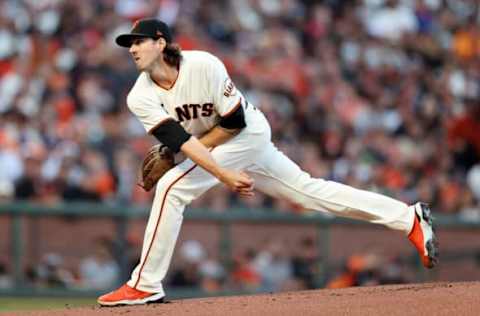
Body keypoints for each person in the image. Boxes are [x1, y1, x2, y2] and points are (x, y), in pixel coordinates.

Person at [97, 18, 438, 306]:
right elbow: (182, 143)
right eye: (129, 44)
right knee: (309, 192)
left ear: (161, 42)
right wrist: (186, 155)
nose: (132, 48)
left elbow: (233, 124)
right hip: (218, 145)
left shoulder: (203, 65)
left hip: (248, 134)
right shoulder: (139, 95)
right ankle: (408, 217)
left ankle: (145, 283)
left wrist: (224, 174)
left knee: (172, 187)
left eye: (138, 41)